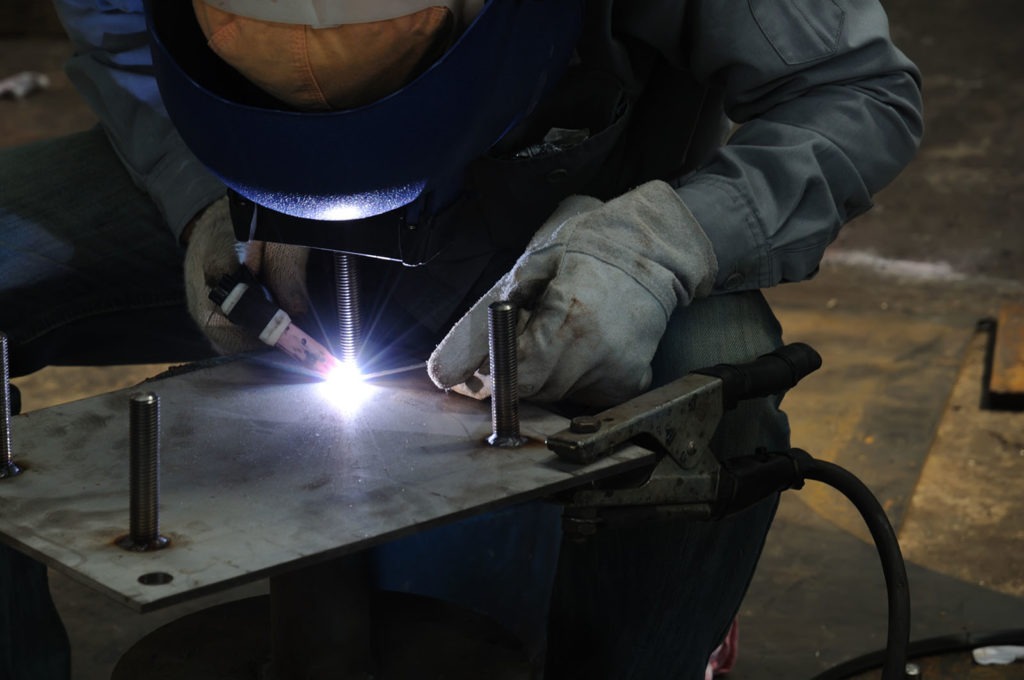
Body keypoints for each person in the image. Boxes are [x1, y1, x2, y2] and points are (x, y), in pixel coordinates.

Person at [0, 1, 922, 678]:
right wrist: (202, 199)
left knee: (716, 390)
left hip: (565, 237)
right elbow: (119, 33)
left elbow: (856, 92)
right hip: (244, 203)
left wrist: (666, 242)